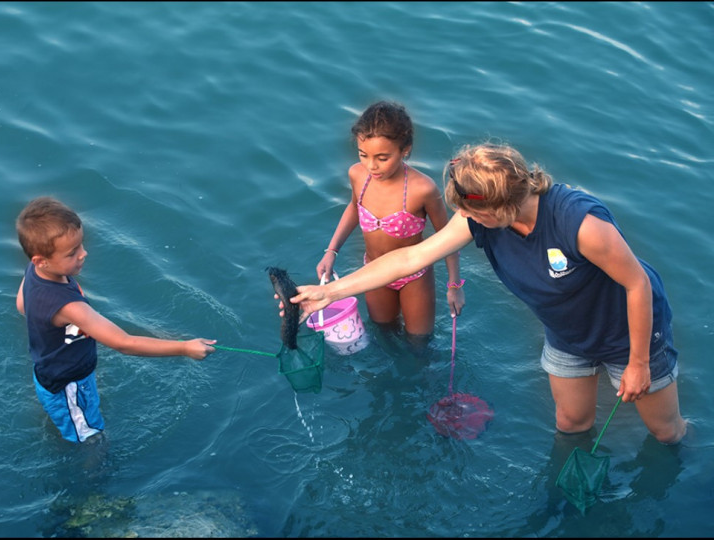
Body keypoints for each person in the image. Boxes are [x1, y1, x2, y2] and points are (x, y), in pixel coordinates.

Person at [287, 142, 686, 444]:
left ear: (502, 206)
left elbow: (638, 284)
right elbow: (410, 259)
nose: (468, 222)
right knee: (571, 422)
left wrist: (637, 363)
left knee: (665, 431)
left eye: (475, 214)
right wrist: (330, 292)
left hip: (628, 333)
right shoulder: (480, 217)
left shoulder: (579, 223)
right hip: (569, 335)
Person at [15, 196, 216, 444]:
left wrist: (59, 327)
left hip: (49, 372)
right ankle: (94, 476)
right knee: (91, 438)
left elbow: (22, 305)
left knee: (72, 416)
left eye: (81, 245)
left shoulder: (34, 271)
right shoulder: (69, 307)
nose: (83, 254)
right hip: (67, 385)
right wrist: (184, 348)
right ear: (41, 260)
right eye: (72, 253)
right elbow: (123, 343)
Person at [316, 101, 465, 338]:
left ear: (404, 149)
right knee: (382, 332)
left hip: (414, 278)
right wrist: (331, 251)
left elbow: (449, 239)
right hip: (374, 271)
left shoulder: (423, 189)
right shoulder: (357, 174)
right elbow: (354, 208)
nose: (371, 166)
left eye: (382, 158)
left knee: (419, 343)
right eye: (363, 155)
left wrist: (454, 286)